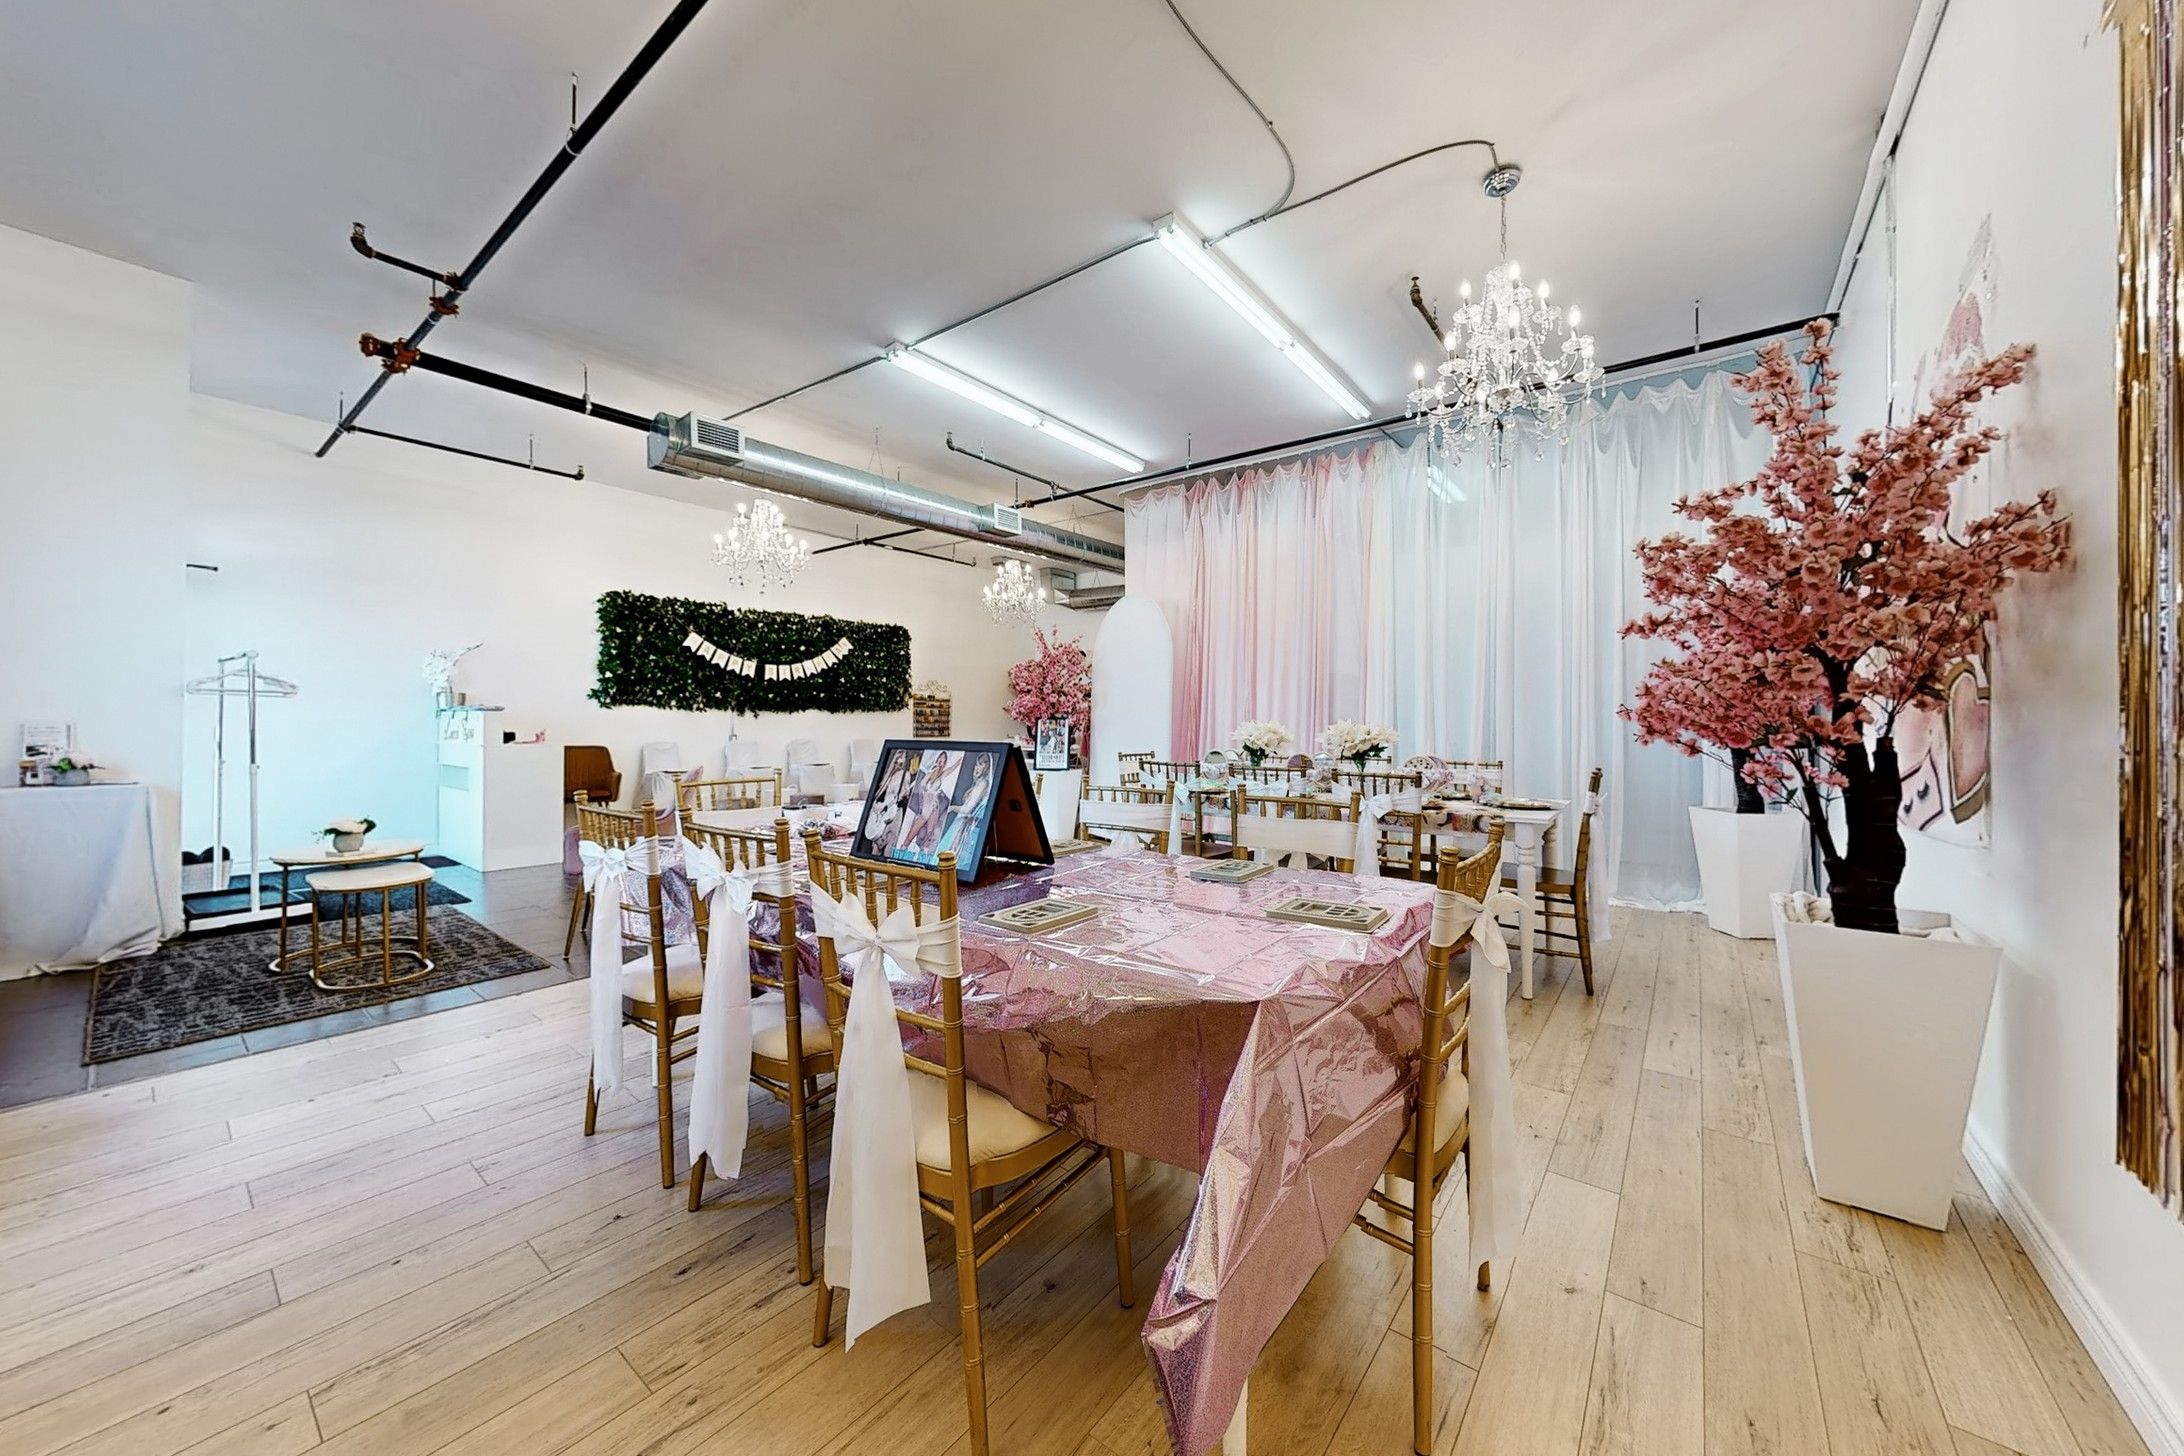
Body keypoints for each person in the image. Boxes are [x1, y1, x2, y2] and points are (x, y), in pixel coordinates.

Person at [934, 753, 997, 862]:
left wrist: (952, 808)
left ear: (986, 766)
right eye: (976, 764)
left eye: (980, 764)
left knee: (949, 856)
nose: (977, 768)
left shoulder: (983, 784)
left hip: (963, 825)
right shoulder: (978, 783)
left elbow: (968, 809)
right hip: (959, 823)